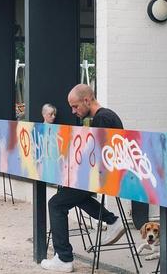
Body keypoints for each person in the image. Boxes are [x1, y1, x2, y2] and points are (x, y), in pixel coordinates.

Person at [40, 84, 126, 272]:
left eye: (75, 106)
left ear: (87, 100)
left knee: (56, 204)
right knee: (73, 195)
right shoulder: (105, 116)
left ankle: (63, 258)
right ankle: (112, 220)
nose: (73, 111)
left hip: (100, 178)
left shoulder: (102, 118)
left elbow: (97, 155)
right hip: (103, 177)